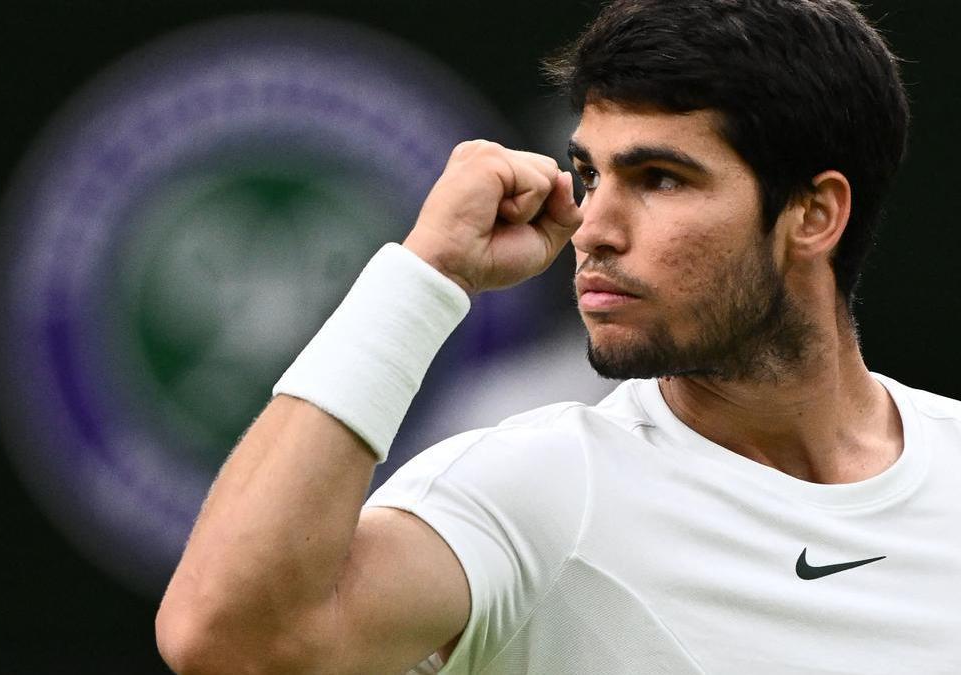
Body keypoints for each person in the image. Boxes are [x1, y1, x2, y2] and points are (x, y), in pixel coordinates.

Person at [155, 0, 961, 672]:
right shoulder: (537, 488)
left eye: (660, 179)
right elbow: (225, 639)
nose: (592, 228)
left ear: (814, 214)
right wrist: (420, 274)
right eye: (589, 175)